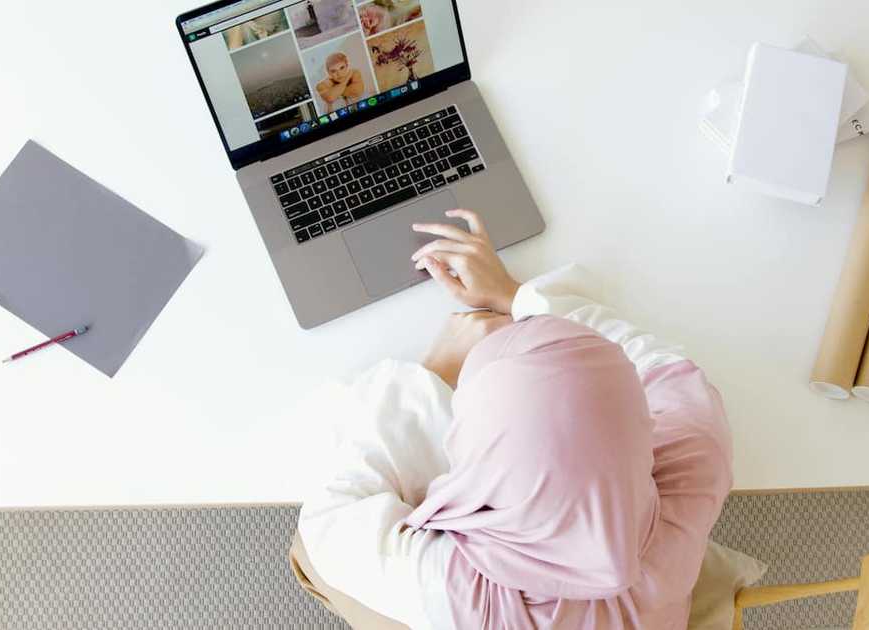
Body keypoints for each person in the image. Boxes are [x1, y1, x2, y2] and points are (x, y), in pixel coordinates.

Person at [292, 209, 734, 629]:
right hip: (654, 609)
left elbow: (329, 519)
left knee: (307, 556)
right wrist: (512, 294)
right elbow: (662, 366)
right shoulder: (695, 453)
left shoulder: (465, 592)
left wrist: (433, 371)